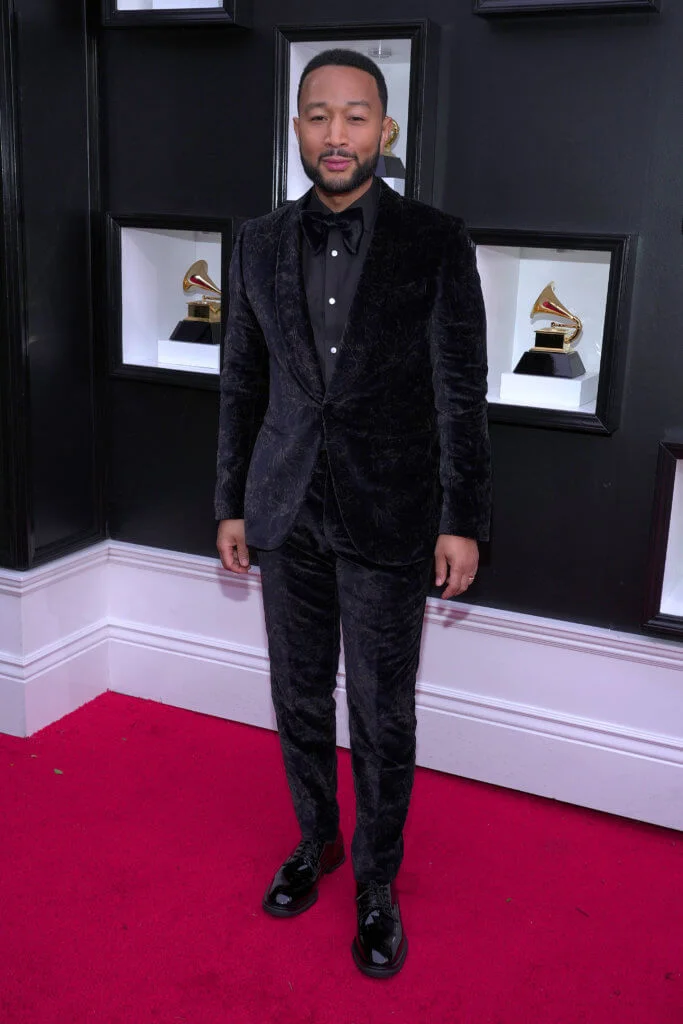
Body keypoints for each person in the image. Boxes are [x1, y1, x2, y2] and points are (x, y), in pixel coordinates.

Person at [215, 48, 491, 978]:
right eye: (319, 116)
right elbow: (241, 386)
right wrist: (230, 504)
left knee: (382, 713)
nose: (337, 135)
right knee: (296, 700)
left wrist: (463, 518)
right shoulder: (253, 242)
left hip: (392, 512)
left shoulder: (436, 240)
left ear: (386, 131)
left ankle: (376, 879)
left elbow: (461, 390)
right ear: (296, 129)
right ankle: (317, 839)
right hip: (282, 508)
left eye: (356, 116)